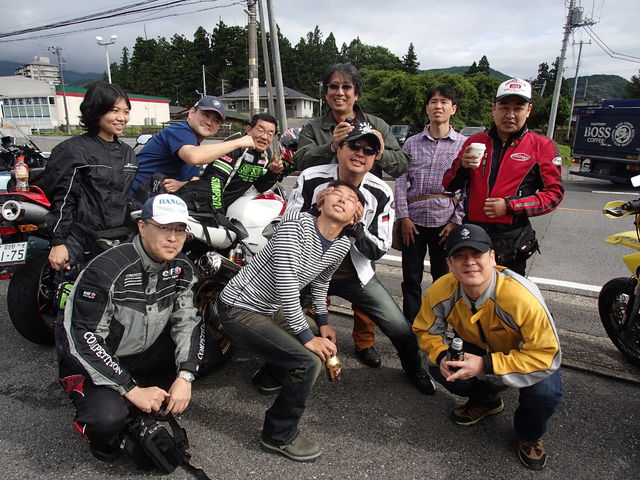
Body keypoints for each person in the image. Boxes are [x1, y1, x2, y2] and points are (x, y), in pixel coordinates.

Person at [218, 181, 365, 462]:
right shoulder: (295, 223)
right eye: (336, 192)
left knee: (313, 331)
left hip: (271, 308)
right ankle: (278, 435)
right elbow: (286, 284)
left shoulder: (342, 244)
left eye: (351, 198)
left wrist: (323, 322)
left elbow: (320, 282)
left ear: (354, 216)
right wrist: (308, 339)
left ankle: (268, 378)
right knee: (308, 361)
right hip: (239, 306)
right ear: (321, 201)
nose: (342, 198)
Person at [286, 121, 436, 395]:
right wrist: (316, 209)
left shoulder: (381, 191)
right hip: (309, 271)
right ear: (339, 147)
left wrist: (356, 228)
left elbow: (379, 249)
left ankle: (414, 368)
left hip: (355, 275)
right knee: (280, 316)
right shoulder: (311, 178)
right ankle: (277, 368)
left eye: (369, 150)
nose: (360, 153)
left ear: (376, 157)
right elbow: (286, 226)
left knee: (401, 328)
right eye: (354, 145)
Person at [55, 194, 206, 462]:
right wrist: (131, 390)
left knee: (207, 357)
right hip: (93, 357)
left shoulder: (183, 267)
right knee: (106, 419)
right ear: (142, 227)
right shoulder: (105, 270)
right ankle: (104, 435)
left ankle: (142, 389)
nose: (173, 238)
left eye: (180, 230)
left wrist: (185, 377)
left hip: (141, 350)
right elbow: (82, 338)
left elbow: (189, 321)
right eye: (164, 228)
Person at [412, 223, 562, 471]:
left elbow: (546, 354)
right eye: (460, 256)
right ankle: (487, 399)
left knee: (544, 392)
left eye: (477, 254)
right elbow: (425, 331)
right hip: (477, 348)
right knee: (441, 368)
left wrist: (485, 364)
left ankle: (528, 435)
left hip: (524, 355)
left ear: (492, 257)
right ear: (449, 264)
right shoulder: (441, 289)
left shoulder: (520, 297)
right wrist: (441, 355)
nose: (469, 262)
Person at [292, 62, 412, 368]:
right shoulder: (314, 128)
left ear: (357, 94)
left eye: (346, 87)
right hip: (320, 222)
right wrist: (331, 144)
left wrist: (378, 150)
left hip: (362, 216)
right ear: (325, 92)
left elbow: (401, 163)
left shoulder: (376, 124)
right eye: (333, 87)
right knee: (303, 299)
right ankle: (304, 350)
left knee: (366, 292)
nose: (340, 93)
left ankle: (365, 344)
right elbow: (300, 161)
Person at [442, 78, 564, 275]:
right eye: (504, 107)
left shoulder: (543, 146)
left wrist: (509, 206)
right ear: (494, 109)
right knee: (468, 290)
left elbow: (554, 195)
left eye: (518, 108)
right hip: (473, 235)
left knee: (508, 293)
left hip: (511, 240)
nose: (510, 115)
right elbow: (448, 184)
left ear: (529, 110)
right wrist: (462, 166)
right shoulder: (475, 141)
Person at [43, 81, 138, 275]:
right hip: (80, 238)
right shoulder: (73, 150)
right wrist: (58, 242)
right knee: (71, 288)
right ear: (96, 111)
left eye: (126, 111)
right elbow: (62, 200)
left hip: (119, 237)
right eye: (114, 111)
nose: (122, 118)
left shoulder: (128, 153)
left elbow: (125, 197)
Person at [395, 85, 467, 324]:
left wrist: (456, 221)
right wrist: (403, 217)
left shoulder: (463, 144)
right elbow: (401, 180)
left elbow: (467, 187)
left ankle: (439, 326)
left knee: (443, 279)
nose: (438, 106)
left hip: (445, 224)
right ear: (427, 107)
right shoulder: (411, 143)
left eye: (444, 102)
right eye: (434, 101)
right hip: (413, 223)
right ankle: (411, 327)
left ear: (453, 109)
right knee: (411, 278)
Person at [130, 95, 256, 200]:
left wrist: (182, 184)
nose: (209, 122)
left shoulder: (194, 144)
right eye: (206, 115)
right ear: (191, 113)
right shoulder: (179, 130)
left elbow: (195, 180)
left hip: (155, 201)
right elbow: (193, 157)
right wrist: (238, 142)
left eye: (216, 121)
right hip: (134, 201)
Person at [176, 113, 284, 213]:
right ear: (249, 130)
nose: (265, 137)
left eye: (270, 134)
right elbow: (215, 180)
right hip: (202, 203)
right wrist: (218, 212)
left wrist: (272, 173)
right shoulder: (235, 145)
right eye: (260, 130)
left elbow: (259, 187)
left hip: (227, 207)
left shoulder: (266, 154)